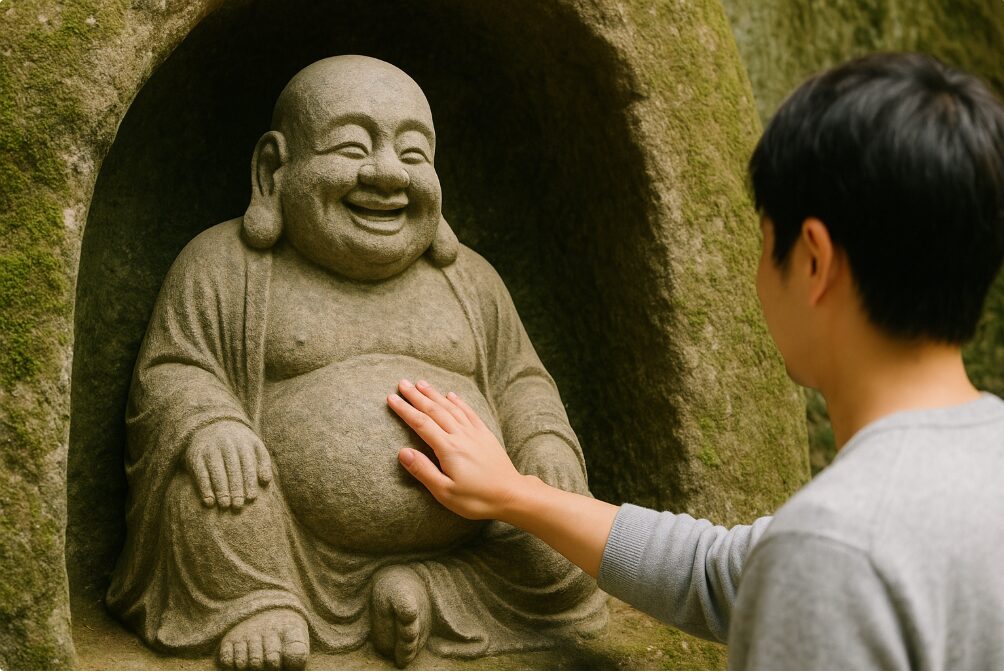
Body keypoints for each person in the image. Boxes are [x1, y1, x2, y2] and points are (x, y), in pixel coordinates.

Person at [387, 52, 1004, 669]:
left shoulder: (830, 552)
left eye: (764, 241)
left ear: (813, 260)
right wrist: (518, 496)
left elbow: (798, 563)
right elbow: (718, 573)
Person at [107, 55, 605, 671]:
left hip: (474, 539)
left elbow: (520, 380)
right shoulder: (225, 267)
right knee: (209, 488)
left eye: (414, 154)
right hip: (282, 544)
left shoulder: (471, 281)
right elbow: (174, 370)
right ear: (273, 169)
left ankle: (429, 592)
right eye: (351, 147)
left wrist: (544, 445)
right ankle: (257, 602)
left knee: (567, 543)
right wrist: (210, 424)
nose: (387, 173)